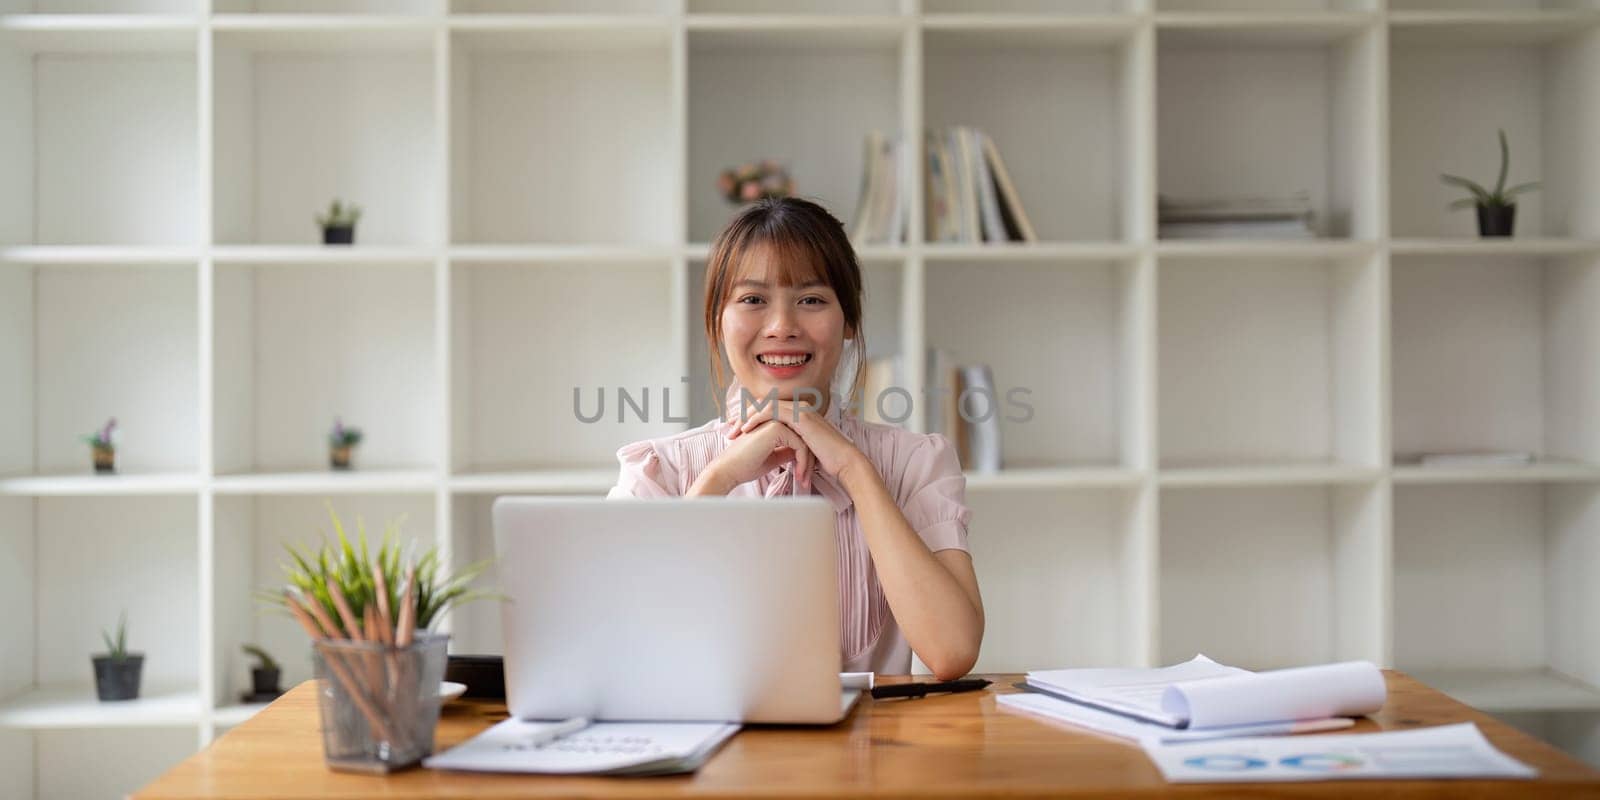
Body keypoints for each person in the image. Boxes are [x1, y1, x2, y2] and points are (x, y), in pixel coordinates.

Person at [607, 197, 983, 679]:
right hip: (716, 752)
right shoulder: (662, 470)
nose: (782, 326)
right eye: (752, 300)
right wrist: (719, 479)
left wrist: (855, 470)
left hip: (877, 752)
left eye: (811, 299)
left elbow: (952, 650)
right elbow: (621, 649)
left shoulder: (915, 463)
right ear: (716, 321)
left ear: (849, 322)